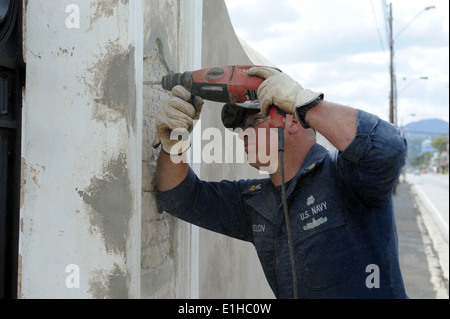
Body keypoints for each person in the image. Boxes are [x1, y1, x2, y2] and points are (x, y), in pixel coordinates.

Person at [153, 67, 408, 299]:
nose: (244, 134)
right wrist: (174, 145)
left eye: (254, 121)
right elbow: (179, 197)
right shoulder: (255, 201)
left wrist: (307, 105)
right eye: (240, 128)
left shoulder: (345, 176)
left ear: (294, 120)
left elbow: (389, 149)